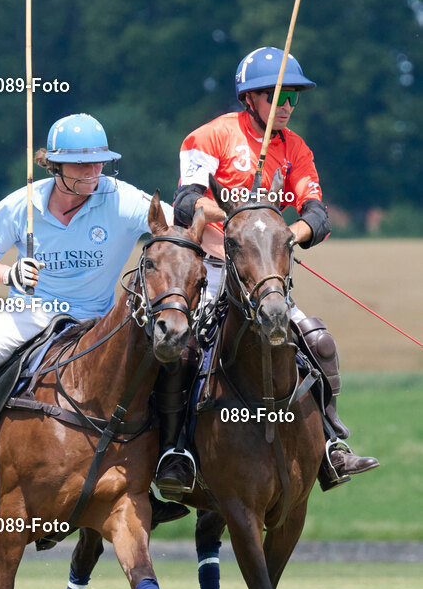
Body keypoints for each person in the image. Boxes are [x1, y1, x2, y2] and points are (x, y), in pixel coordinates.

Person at [0, 112, 176, 509]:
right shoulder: (22, 204)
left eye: (99, 162)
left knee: (174, 364)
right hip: (28, 313)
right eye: (82, 164)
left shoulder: (121, 198)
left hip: (97, 323)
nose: (94, 171)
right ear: (55, 166)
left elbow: (176, 225)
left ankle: (163, 471)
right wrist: (9, 273)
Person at [153, 46, 378, 497]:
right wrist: (239, 213)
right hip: (213, 267)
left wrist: (281, 235)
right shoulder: (209, 137)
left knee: (317, 339)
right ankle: (173, 449)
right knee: (181, 348)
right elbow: (184, 201)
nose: (288, 106)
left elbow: (318, 215)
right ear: (249, 99)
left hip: (264, 274)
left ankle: (332, 443)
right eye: (278, 97)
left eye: (293, 97)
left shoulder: (295, 149)